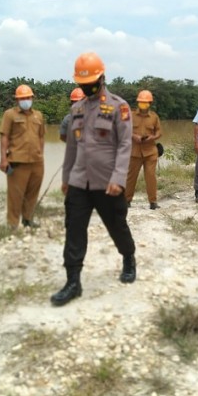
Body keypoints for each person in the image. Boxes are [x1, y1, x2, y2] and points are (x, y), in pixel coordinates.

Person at [50, 52, 137, 307]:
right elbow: (72, 149)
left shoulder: (119, 107)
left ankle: (128, 258)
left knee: (117, 225)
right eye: (81, 83)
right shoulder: (77, 109)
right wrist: (66, 178)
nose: (85, 87)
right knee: (74, 229)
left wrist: (119, 178)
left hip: (108, 181)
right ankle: (73, 281)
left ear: (101, 78)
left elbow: (124, 145)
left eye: (89, 83)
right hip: (79, 181)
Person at [0, 84, 45, 229]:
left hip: (36, 162)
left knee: (32, 193)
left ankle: (28, 220)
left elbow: (41, 136)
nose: (26, 100)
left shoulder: (38, 115)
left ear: (32, 98)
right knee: (15, 195)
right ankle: (12, 224)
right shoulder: (10, 115)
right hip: (17, 161)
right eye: (22, 98)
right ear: (17, 100)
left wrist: (41, 154)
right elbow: (4, 137)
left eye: (28, 97)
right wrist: (3, 159)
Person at [125, 90, 162, 210]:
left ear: (150, 103)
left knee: (150, 176)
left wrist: (153, 137)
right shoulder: (130, 115)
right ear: (138, 103)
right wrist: (133, 136)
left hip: (150, 151)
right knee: (131, 176)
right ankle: (126, 200)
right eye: (141, 102)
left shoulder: (154, 117)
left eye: (146, 103)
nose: (143, 105)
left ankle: (153, 202)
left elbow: (159, 132)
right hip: (134, 151)